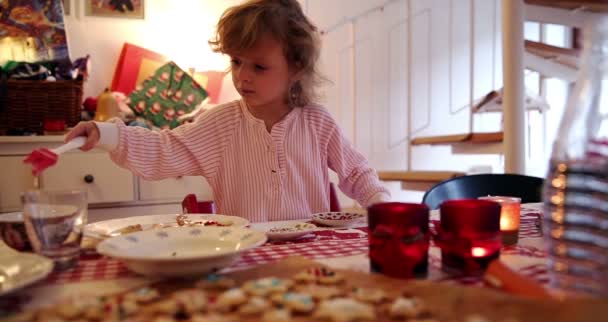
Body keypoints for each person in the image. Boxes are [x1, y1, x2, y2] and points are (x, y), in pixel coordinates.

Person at [65, 0, 389, 222]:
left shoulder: (318, 122)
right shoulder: (219, 124)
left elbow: (357, 173)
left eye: (259, 66)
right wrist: (106, 133)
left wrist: (383, 207)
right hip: (246, 256)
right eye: (236, 61)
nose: (242, 75)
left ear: (297, 69)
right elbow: (163, 149)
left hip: (310, 259)